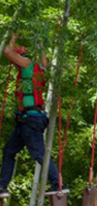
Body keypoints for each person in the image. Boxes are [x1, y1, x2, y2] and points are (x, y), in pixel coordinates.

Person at [0, 33, 65, 197]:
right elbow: (43, 59)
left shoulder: (28, 63)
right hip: (27, 119)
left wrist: (13, 37)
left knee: (39, 153)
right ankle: (2, 186)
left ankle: (57, 184)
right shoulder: (40, 67)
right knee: (9, 151)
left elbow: (7, 51)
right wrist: (40, 41)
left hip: (30, 119)